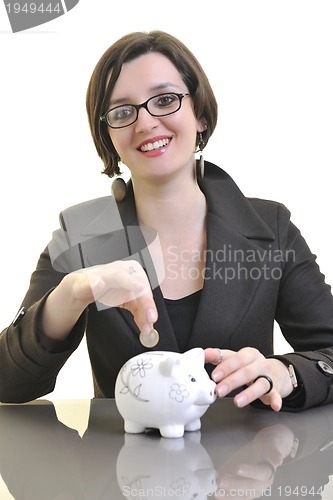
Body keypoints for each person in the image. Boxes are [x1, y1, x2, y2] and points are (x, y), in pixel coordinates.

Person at [1, 31, 333, 411]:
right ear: (108, 136)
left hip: (251, 466)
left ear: (201, 115)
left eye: (164, 100)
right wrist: (71, 295)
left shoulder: (272, 226)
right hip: (124, 467)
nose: (144, 123)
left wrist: (285, 373)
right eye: (123, 112)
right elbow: (9, 383)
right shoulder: (79, 235)